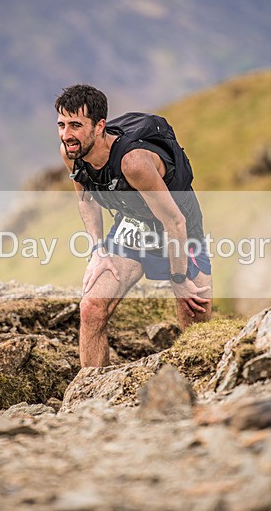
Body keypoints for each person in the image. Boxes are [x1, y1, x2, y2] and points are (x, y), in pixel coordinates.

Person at [56, 84, 212, 367]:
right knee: (91, 309)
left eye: (76, 125)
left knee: (195, 318)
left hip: (180, 229)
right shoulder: (71, 153)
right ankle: (90, 398)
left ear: (99, 126)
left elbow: (175, 221)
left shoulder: (133, 163)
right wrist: (98, 250)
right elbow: (87, 200)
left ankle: (197, 397)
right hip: (131, 224)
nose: (67, 134)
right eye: (62, 124)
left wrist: (178, 279)